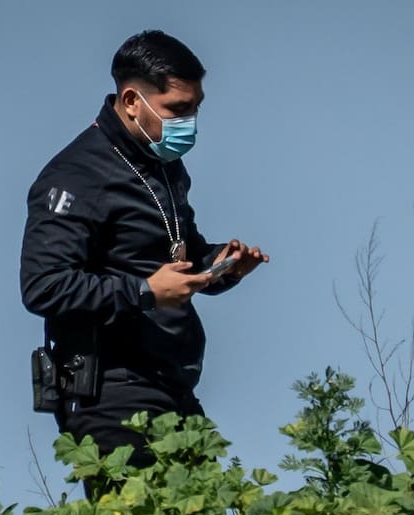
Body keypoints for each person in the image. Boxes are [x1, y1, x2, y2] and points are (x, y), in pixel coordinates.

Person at [20, 30, 268, 482]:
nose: (190, 121)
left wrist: (221, 265)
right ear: (132, 100)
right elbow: (44, 286)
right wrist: (145, 292)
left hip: (172, 384)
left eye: (195, 108)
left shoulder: (163, 167)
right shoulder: (75, 175)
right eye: (178, 109)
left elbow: (176, 254)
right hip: (109, 394)